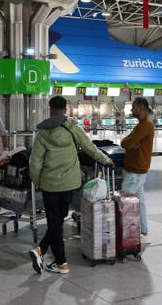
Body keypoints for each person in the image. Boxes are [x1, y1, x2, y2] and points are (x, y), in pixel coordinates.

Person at [28, 96, 113, 275]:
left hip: (50, 184)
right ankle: (42, 252)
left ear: (50, 109)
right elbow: (89, 147)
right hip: (69, 183)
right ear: (65, 109)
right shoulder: (73, 128)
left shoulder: (43, 133)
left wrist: (37, 182)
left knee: (54, 223)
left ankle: (59, 262)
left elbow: (35, 163)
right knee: (58, 220)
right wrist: (105, 159)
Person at [120, 97, 154, 244]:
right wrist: (129, 143)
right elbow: (125, 141)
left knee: (125, 204)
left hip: (135, 171)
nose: (131, 110)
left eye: (133, 107)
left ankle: (127, 236)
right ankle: (143, 231)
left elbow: (128, 143)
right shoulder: (141, 125)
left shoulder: (145, 125)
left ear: (140, 108)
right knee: (140, 203)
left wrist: (130, 143)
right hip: (137, 170)